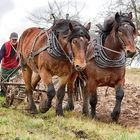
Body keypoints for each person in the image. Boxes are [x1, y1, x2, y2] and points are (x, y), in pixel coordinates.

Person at [0, 32, 19, 96]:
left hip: (14, 68)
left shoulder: (19, 45)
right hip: (5, 67)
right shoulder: (5, 45)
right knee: (4, 82)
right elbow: (0, 56)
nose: (14, 41)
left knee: (14, 82)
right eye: (13, 39)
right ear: (10, 39)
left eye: (15, 39)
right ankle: (2, 94)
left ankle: (13, 95)